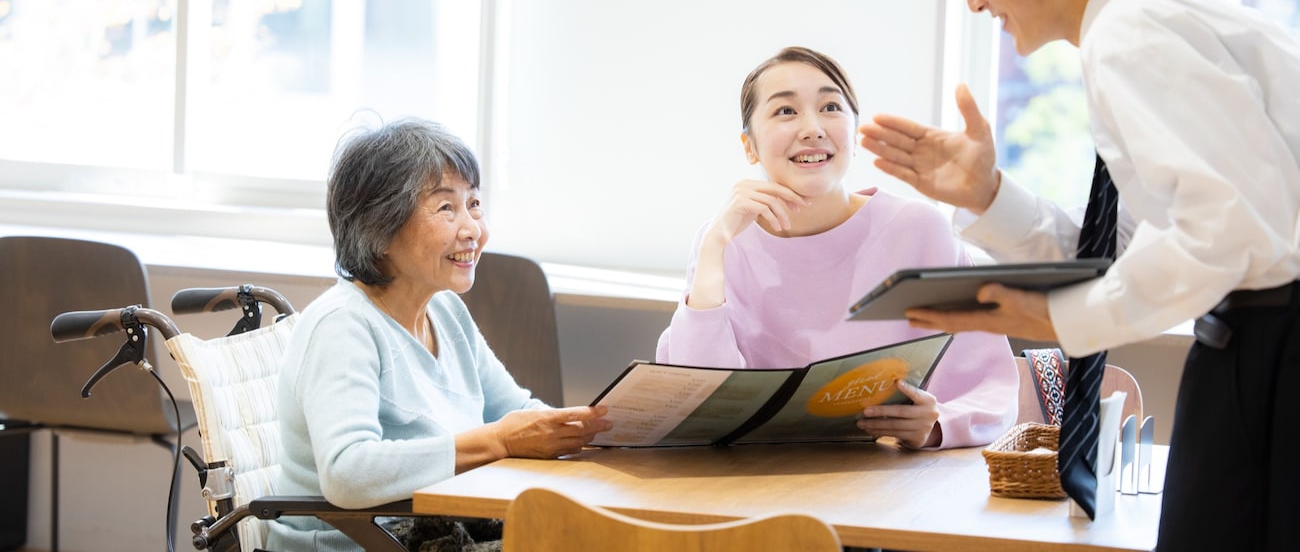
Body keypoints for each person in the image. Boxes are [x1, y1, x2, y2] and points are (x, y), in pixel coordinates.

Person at [857, 0, 1300, 548]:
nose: (973, 2)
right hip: (1257, 340)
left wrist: (1060, 317)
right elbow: (1124, 253)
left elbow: (1227, 232)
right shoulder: (1150, 24)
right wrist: (988, 198)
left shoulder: (1136, 36)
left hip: (1276, 345)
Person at [266, 119, 611, 552]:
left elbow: (518, 411)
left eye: (474, 204)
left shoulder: (446, 310)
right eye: (446, 208)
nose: (472, 230)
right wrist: (498, 441)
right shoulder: (342, 326)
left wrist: (600, 431)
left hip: (438, 530)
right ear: (380, 227)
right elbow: (347, 473)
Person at [656, 46, 1017, 450]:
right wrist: (714, 248)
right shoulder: (721, 242)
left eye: (830, 106)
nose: (812, 127)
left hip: (893, 484)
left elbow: (992, 387)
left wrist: (935, 424)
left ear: (856, 134)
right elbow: (695, 399)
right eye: (785, 111)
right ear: (749, 146)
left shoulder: (920, 231)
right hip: (754, 482)